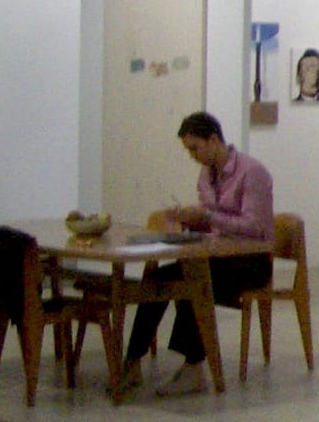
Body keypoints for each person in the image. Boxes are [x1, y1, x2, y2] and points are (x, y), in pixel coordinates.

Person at [116, 112, 275, 400]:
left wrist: (208, 216)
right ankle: (133, 359)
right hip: (217, 255)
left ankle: (194, 368)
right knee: (158, 278)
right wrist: (189, 219)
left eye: (194, 148)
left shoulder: (253, 172)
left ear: (213, 140)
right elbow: (211, 223)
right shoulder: (206, 173)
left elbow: (255, 228)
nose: (192, 156)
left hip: (250, 262)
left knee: (195, 281)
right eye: (188, 150)